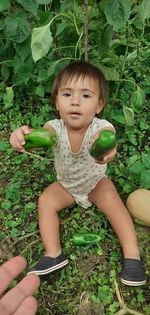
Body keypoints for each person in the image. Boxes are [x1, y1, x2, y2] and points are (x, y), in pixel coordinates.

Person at [10, 61, 146, 286]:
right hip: (66, 185)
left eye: (85, 96)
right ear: (56, 101)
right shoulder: (55, 127)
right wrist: (23, 135)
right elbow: (44, 135)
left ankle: (132, 256)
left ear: (99, 105)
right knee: (45, 201)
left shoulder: (100, 127)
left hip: (95, 183)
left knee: (114, 203)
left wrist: (106, 150)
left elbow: (108, 140)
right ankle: (53, 253)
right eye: (66, 94)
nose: (75, 101)